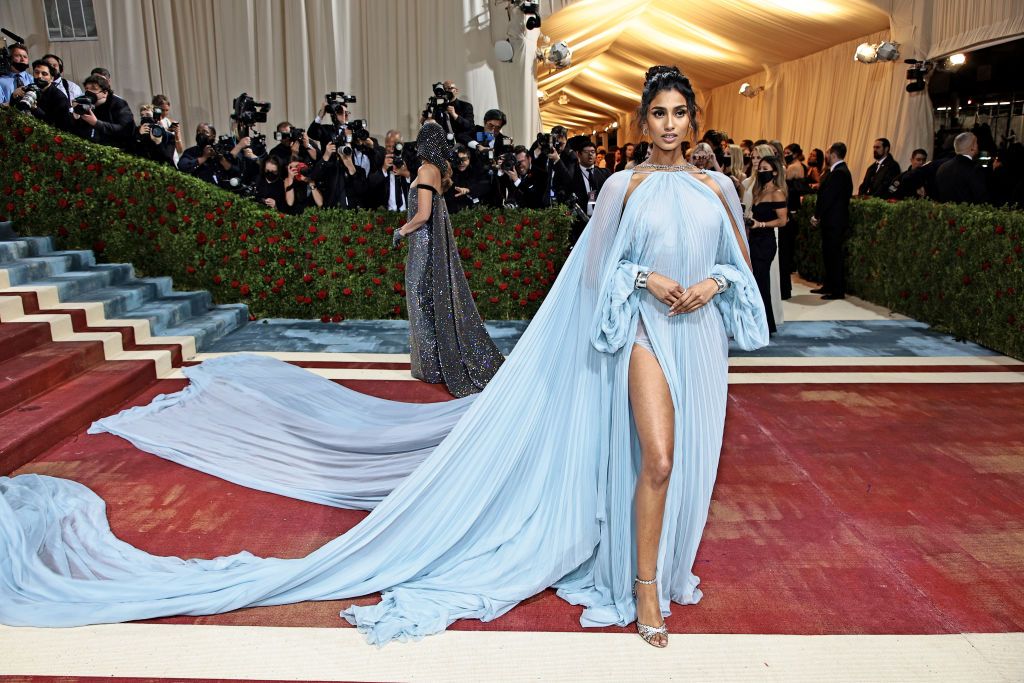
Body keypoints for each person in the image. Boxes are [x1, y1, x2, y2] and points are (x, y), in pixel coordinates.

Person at [0, 66, 768, 651]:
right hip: (640, 328)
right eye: (658, 114)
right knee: (657, 459)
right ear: (644, 120)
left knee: (679, 459)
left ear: (695, 120)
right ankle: (641, 589)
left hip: (696, 339)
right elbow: (598, 275)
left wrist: (707, 282)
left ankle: (663, 570)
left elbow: (742, 274)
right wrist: (651, 278)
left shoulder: (716, 189)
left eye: (679, 114)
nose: (669, 125)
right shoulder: (622, 187)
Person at [393, 121, 504, 396]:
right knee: (430, 299)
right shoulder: (438, 170)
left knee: (420, 297)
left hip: (422, 242)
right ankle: (437, 362)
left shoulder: (425, 169)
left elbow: (423, 214)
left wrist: (401, 231)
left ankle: (431, 366)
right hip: (429, 242)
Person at [748, 156, 787, 333]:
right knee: (756, 282)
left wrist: (761, 224)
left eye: (766, 169)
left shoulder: (777, 192)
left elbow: (782, 221)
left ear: (775, 171)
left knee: (761, 283)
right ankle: (761, 323)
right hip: (754, 240)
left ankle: (766, 325)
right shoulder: (760, 191)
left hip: (765, 243)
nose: (762, 172)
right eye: (760, 169)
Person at [811, 142, 853, 299]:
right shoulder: (834, 171)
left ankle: (837, 290)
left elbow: (828, 198)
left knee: (834, 256)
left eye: (827, 153)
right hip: (832, 222)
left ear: (833, 154)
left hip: (835, 222)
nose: (825, 156)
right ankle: (828, 285)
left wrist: (817, 215)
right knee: (828, 254)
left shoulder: (839, 173)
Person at [554, 136, 611, 244]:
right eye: (586, 152)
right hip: (579, 225)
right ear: (578, 154)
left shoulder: (604, 173)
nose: (590, 155)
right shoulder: (572, 174)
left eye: (593, 152)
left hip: (601, 223)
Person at [71, 75, 135, 150]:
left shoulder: (119, 104)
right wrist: (75, 115)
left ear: (105, 92)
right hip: (91, 147)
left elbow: (125, 129)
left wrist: (96, 123)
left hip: (116, 148)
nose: (89, 92)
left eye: (93, 89)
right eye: (87, 89)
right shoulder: (84, 102)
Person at [10, 60, 72, 131]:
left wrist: (35, 109)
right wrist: (14, 96)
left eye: (44, 74)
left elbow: (56, 125)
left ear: (52, 78)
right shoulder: (28, 88)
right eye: (36, 72)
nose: (39, 76)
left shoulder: (60, 97)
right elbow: (14, 110)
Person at [934, 132, 989, 204]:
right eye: (976, 143)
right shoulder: (974, 169)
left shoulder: (942, 167)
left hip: (945, 213)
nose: (978, 145)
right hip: (969, 214)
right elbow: (982, 198)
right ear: (973, 148)